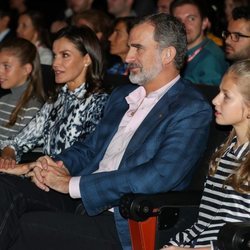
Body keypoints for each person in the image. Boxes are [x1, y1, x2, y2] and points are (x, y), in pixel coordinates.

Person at [0, 13, 212, 250]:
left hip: (125, 217)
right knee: (5, 187)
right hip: (82, 199)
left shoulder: (190, 108)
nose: (128, 56)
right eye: (129, 47)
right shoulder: (123, 96)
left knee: (29, 225)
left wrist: (72, 184)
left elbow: (157, 176)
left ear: (167, 54)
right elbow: (89, 149)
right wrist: (52, 166)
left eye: (138, 48)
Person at [160, 59, 250, 249]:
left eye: (226, 96)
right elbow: (204, 223)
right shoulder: (223, 151)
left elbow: (241, 238)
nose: (215, 100)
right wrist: (177, 243)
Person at [0, 25, 108, 168]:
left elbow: (82, 158)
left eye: (65, 55)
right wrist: (8, 154)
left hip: (68, 184)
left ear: (86, 59)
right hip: (42, 176)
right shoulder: (57, 98)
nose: (55, 64)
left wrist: (27, 168)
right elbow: (21, 140)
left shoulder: (99, 102)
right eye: (55, 55)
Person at [170, 0, 228, 86]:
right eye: (178, 20)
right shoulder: (175, 51)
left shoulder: (210, 60)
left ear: (204, 23)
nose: (184, 24)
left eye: (191, 18)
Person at [0, 37, 45, 141]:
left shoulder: (34, 108)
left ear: (26, 69)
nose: (0, 71)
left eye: (6, 66)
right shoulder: (3, 101)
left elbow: (16, 150)